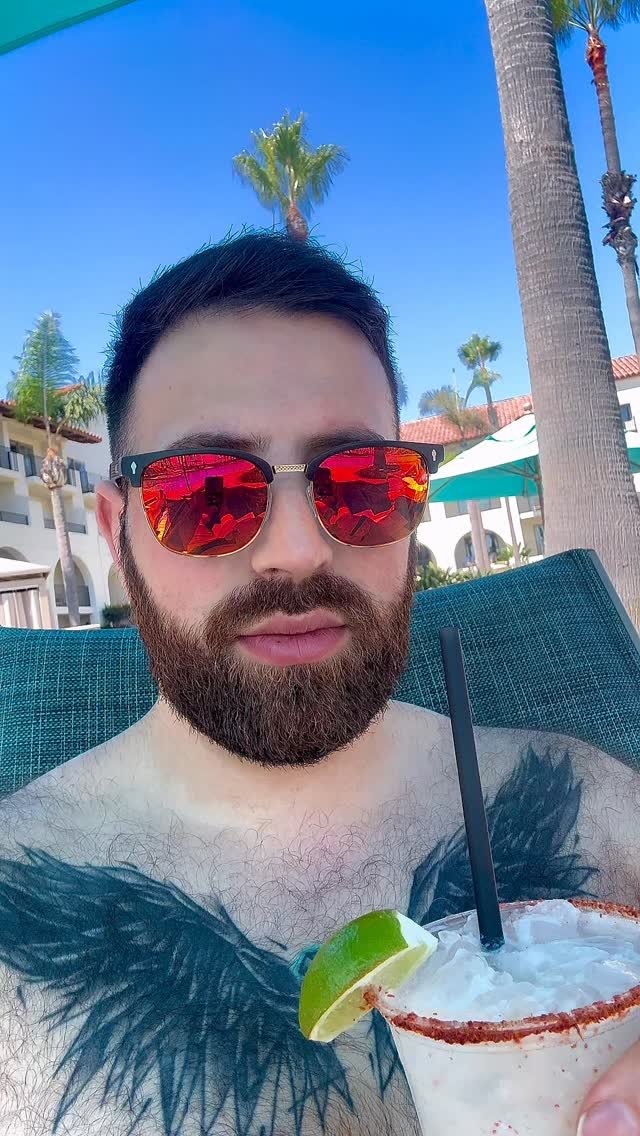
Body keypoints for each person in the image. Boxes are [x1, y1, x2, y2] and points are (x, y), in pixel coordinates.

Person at [0, 231, 638, 1136]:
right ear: (116, 531)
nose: (298, 551)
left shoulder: (599, 807)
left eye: (363, 484)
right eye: (205, 493)